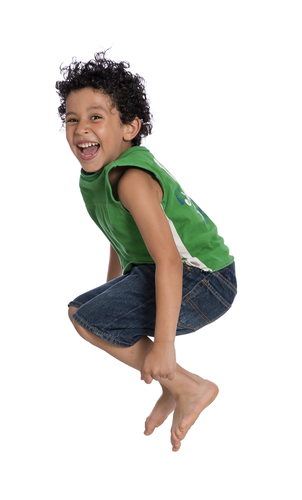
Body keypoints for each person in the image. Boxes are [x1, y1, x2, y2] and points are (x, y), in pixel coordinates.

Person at [55, 51, 237, 452]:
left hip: (206, 282)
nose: (81, 128)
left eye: (96, 117)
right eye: (72, 119)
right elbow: (118, 232)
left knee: (85, 318)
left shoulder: (131, 178)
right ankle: (175, 387)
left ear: (130, 127)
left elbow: (169, 259)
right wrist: (112, 285)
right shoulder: (100, 175)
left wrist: (165, 346)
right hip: (172, 273)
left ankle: (188, 385)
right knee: (91, 313)